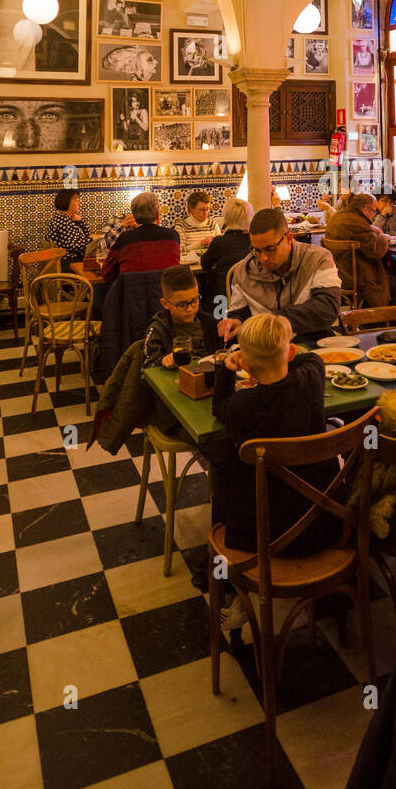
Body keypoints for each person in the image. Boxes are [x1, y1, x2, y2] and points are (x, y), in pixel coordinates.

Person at [211, 313, 340, 557]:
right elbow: (312, 358)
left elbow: (218, 405)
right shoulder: (312, 378)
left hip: (262, 531)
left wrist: (228, 369)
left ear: (245, 366)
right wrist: (281, 355)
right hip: (321, 523)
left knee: (223, 464)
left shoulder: (242, 404)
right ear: (290, 353)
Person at [218, 207, 342, 342]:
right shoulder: (243, 271)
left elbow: (327, 309)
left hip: (313, 343)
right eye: (257, 250)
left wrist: (273, 319)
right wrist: (236, 322)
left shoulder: (317, 259)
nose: (263, 258)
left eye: (270, 250)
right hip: (265, 349)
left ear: (289, 238)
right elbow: (239, 314)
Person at [142, 266, 219, 433]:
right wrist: (162, 361)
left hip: (208, 393)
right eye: (182, 305)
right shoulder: (158, 329)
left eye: (195, 301)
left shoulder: (209, 323)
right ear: (165, 304)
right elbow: (146, 371)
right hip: (174, 406)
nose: (190, 308)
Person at [325, 192, 396, 306]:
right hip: (360, 278)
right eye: (373, 211)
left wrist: (371, 228)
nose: (373, 215)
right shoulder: (358, 223)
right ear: (366, 210)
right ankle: (383, 320)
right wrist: (382, 237)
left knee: (395, 268)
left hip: (340, 275)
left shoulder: (337, 217)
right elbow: (375, 251)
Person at [101, 191, 180, 282]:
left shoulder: (123, 239)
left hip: (132, 294)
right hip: (166, 293)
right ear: (158, 215)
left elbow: (107, 274)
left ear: (134, 216)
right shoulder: (173, 236)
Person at [201, 196, 253, 304]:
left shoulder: (219, 242)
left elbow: (205, 264)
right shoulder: (255, 241)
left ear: (226, 218)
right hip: (253, 296)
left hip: (226, 298)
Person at [46, 188, 91, 272]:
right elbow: (73, 246)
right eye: (76, 199)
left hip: (70, 261)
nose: (79, 203)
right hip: (65, 263)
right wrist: (93, 239)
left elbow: (86, 236)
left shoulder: (67, 218)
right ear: (65, 201)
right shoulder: (61, 219)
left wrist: (81, 222)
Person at [176, 190, 221, 255]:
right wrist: (201, 243)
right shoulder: (181, 227)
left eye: (207, 209)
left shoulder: (213, 225)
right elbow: (180, 250)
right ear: (191, 209)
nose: (205, 213)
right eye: (201, 210)